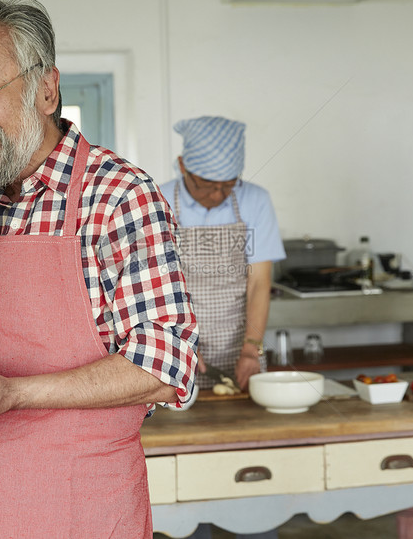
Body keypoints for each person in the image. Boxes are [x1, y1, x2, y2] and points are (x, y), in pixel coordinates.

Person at [0, 0, 197, 538]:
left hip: (87, 507)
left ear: (46, 89)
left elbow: (165, 368)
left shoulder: (119, 195)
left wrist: (16, 393)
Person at [159, 116, 285, 539]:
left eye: (227, 185)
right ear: (182, 166)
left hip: (238, 345)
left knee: (249, 465)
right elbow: (151, 288)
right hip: (175, 352)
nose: (216, 194)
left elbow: (259, 283)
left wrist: (251, 350)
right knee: (186, 467)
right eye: (206, 185)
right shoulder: (156, 200)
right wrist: (175, 352)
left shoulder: (254, 201)